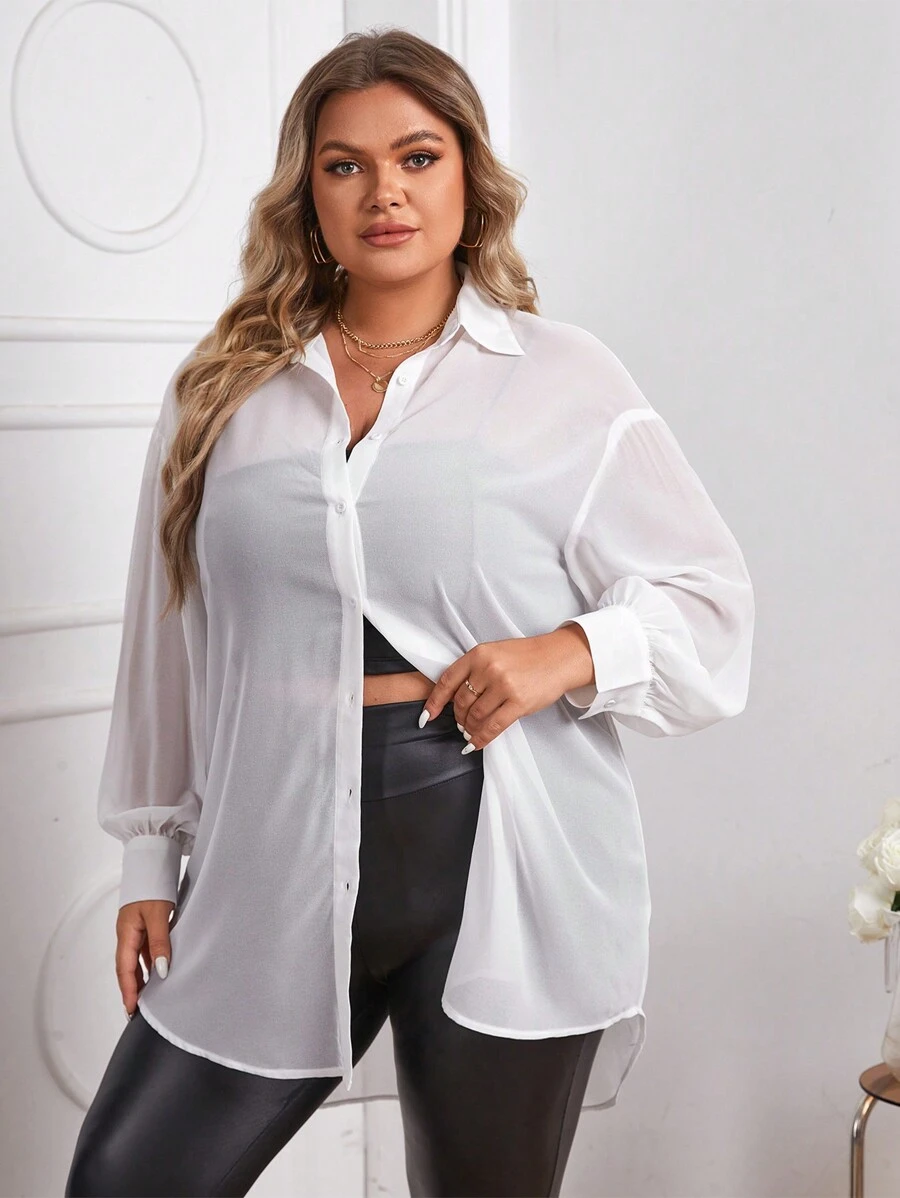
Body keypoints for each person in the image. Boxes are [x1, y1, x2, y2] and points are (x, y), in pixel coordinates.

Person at [64, 26, 755, 1198]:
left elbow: (712, 607)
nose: (384, 192)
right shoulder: (222, 390)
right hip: (269, 851)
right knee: (126, 1178)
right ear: (308, 193)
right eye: (346, 165)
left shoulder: (563, 378)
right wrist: (148, 852)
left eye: (418, 157)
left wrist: (567, 651)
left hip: (497, 857)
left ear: (468, 176)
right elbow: (170, 633)